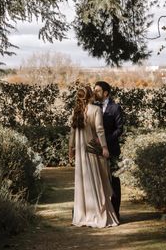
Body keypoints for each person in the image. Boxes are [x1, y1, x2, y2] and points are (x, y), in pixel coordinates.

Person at [68, 85, 119, 228]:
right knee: (97, 180)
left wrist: (70, 149)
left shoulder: (76, 111)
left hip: (80, 151)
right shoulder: (95, 109)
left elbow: (72, 132)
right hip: (92, 149)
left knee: (83, 181)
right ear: (90, 96)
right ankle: (97, 212)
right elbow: (100, 130)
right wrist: (104, 147)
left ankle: (84, 214)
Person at [93, 80, 123, 221]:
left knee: (114, 182)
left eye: (98, 90)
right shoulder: (92, 106)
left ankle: (115, 214)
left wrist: (105, 140)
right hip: (96, 150)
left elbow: (120, 129)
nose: (95, 93)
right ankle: (102, 214)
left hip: (113, 149)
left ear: (106, 93)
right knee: (98, 182)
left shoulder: (115, 107)